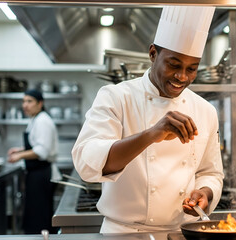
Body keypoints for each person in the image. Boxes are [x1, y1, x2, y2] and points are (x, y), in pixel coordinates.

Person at [72, 5, 224, 234]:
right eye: (173, 65)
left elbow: (211, 173)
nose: (182, 77)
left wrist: (205, 193)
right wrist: (151, 134)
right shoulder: (116, 97)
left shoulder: (205, 110)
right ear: (153, 54)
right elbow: (87, 163)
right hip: (122, 233)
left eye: (192, 69)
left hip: (182, 232)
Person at [7, 89, 59, 234]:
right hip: (37, 173)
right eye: (24, 101)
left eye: (29, 101)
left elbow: (42, 151)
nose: (25, 105)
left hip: (42, 174)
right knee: (36, 212)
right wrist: (20, 149)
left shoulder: (43, 121)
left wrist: (20, 156)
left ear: (40, 103)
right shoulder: (36, 119)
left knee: (39, 215)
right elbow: (37, 144)